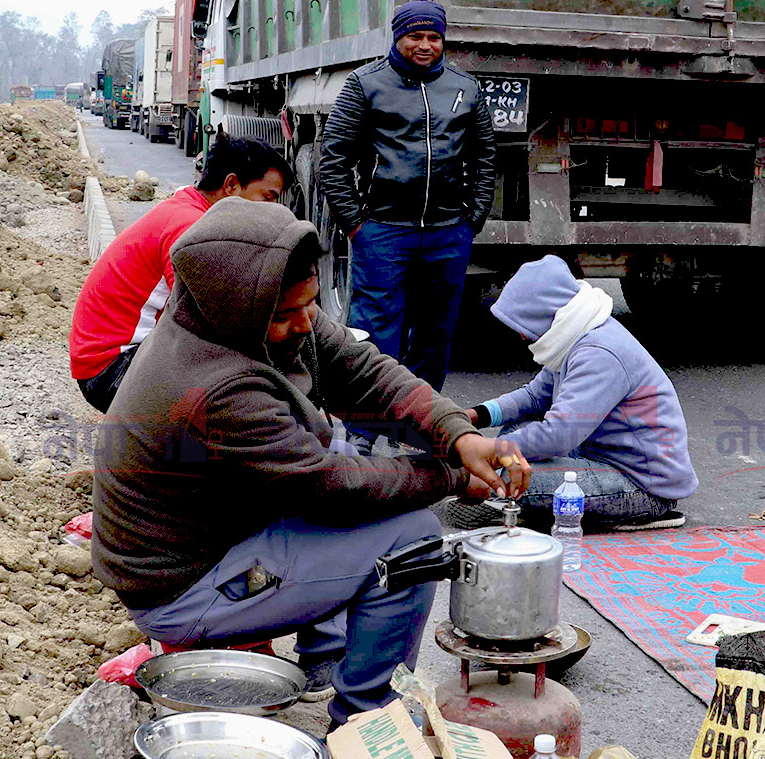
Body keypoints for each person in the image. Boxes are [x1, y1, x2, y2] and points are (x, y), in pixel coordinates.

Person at [91, 198, 527, 724]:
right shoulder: (216, 387)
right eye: (286, 315)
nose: (306, 323)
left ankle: (326, 662)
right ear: (242, 307)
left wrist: (457, 435)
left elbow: (366, 372)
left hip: (220, 533)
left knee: (340, 449)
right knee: (412, 540)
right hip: (184, 591)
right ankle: (368, 719)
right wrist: (452, 477)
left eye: (311, 304)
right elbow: (333, 488)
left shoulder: (244, 315)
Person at [316, 0, 496, 390]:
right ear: (398, 37)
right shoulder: (365, 84)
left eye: (434, 37)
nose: (426, 45)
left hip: (448, 232)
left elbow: (484, 157)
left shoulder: (465, 88)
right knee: (373, 334)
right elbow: (333, 160)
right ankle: (364, 426)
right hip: (383, 230)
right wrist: (356, 224)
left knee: (435, 334)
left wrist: (474, 218)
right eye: (415, 36)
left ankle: (418, 424)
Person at [452, 256, 697, 532]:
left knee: (515, 469)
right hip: (598, 458)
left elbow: (559, 434)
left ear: (548, 314)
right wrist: (475, 416)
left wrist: (490, 455)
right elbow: (535, 397)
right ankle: (510, 491)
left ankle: (638, 514)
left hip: (642, 486)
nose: (522, 336)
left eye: (524, 325)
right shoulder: (575, 334)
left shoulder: (599, 353)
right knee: (513, 434)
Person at [67, 138, 289, 412]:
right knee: (239, 398)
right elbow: (210, 321)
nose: (272, 211)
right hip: (111, 369)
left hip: (104, 360)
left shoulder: (190, 207)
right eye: (267, 198)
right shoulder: (192, 227)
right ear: (231, 185)